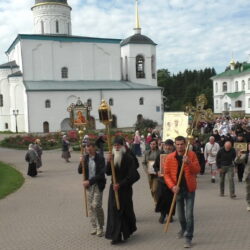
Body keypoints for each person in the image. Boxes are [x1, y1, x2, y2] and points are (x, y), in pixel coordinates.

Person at [164, 136, 200, 248]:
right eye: (177, 144)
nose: (180, 146)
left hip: (189, 189)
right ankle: (184, 228)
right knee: (180, 216)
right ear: (175, 145)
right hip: (177, 190)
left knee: (189, 215)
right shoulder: (170, 157)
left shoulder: (191, 155)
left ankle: (188, 237)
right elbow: (166, 174)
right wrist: (172, 186)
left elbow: (197, 170)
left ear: (185, 144)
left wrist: (189, 162)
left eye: (181, 144)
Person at [105, 136, 138, 245]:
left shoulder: (129, 158)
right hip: (113, 189)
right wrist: (108, 161)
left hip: (124, 189)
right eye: (114, 145)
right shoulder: (112, 157)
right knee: (114, 211)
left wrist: (121, 184)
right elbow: (108, 172)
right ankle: (116, 235)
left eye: (118, 145)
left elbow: (134, 176)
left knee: (123, 211)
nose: (116, 147)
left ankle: (124, 233)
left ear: (123, 146)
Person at [78, 142, 106, 237]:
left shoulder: (100, 158)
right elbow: (79, 171)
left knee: (96, 205)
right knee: (90, 207)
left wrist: (90, 181)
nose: (88, 150)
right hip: (89, 186)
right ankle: (94, 226)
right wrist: (80, 162)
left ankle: (100, 227)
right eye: (87, 149)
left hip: (97, 184)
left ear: (94, 148)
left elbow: (101, 174)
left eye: (90, 149)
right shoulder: (85, 158)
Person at [153, 139, 175, 224]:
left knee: (171, 199)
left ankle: (170, 215)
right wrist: (157, 171)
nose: (168, 147)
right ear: (164, 146)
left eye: (169, 146)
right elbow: (155, 166)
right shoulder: (160, 155)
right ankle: (162, 215)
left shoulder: (175, 155)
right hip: (162, 181)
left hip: (172, 181)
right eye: (166, 145)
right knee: (161, 198)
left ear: (172, 146)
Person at [142, 139, 160, 205]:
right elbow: (143, 162)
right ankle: (155, 198)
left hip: (157, 173)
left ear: (156, 145)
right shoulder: (146, 152)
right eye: (151, 144)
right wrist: (146, 170)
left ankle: (156, 201)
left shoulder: (159, 152)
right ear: (149, 145)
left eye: (154, 144)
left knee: (155, 189)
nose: (152, 145)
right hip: (149, 173)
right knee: (151, 189)